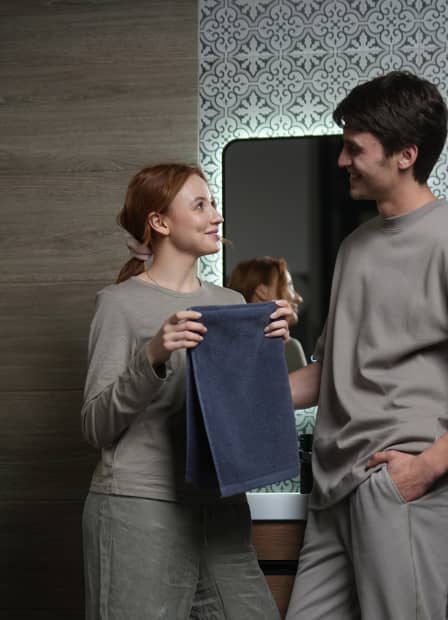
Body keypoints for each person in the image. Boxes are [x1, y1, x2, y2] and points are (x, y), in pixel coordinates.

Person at [285, 72, 448, 620]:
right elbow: (332, 372)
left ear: (406, 155)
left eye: (355, 148)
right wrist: (234, 394)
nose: (342, 160)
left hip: (394, 482)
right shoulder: (355, 246)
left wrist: (426, 468)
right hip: (332, 487)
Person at [81, 163, 292, 619]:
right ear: (159, 222)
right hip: (139, 509)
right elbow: (95, 426)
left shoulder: (231, 304)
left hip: (222, 507)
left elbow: (241, 414)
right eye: (200, 205)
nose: (216, 215)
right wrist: (153, 355)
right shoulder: (119, 304)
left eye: (212, 203)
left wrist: (270, 350)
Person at [228, 256, 307, 372]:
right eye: (289, 285)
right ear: (262, 292)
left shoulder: (227, 349)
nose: (299, 298)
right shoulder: (289, 347)